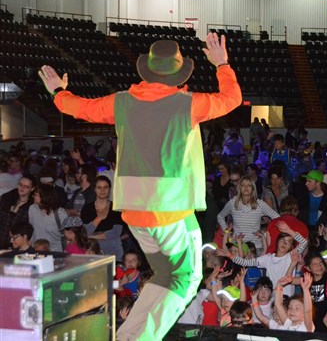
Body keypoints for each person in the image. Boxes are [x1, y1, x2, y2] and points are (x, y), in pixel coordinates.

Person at [39, 33, 242, 340]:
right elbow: (232, 99)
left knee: (165, 275)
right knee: (186, 278)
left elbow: (79, 108)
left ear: (148, 69)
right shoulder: (189, 104)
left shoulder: (121, 102)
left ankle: (127, 336)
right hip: (170, 213)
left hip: (135, 215)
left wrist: (57, 90)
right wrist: (221, 63)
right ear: (178, 73)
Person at [217, 176, 280, 253]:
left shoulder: (259, 204)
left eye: (249, 185)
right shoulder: (233, 202)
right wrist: (227, 232)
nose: (246, 187)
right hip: (236, 246)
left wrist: (266, 233)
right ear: (239, 188)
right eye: (243, 185)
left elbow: (277, 218)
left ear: (253, 188)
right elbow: (220, 216)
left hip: (255, 247)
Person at [81, 175, 126, 262]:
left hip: (114, 252)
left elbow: (116, 233)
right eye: (99, 187)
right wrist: (98, 219)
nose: (102, 190)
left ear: (110, 189)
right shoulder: (87, 208)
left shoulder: (116, 208)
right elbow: (84, 232)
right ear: (94, 189)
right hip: (93, 252)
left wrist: (92, 236)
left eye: (106, 187)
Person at [28, 184, 68, 252]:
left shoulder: (60, 213)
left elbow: (67, 234)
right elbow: (32, 229)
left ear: (45, 196)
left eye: (36, 195)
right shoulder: (32, 209)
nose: (33, 196)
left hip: (55, 251)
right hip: (36, 251)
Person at [0, 175, 35, 249]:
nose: (22, 188)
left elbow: (30, 228)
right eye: (20, 184)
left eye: (26, 186)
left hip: (17, 246)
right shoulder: (7, 198)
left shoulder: (32, 206)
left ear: (32, 189)